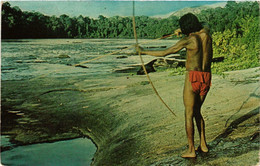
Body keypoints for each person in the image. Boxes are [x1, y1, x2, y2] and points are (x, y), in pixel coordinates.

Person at [136, 13, 212, 158]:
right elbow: (203, 24)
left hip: (193, 76)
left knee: (189, 113)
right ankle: (203, 145)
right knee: (197, 110)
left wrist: (143, 51)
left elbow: (165, 52)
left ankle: (191, 150)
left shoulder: (188, 40)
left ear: (185, 27)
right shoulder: (206, 33)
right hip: (206, 77)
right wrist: (182, 29)